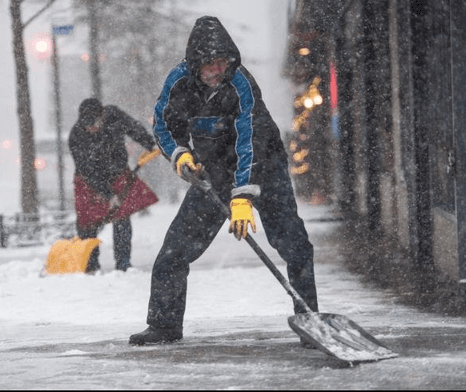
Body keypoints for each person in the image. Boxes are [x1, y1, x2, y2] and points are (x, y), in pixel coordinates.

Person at [129, 16, 319, 347]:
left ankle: (310, 319)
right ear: (195, 64)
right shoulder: (179, 83)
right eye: (209, 64)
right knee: (174, 251)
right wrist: (180, 154)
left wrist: (243, 196)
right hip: (213, 172)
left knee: (295, 244)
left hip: (264, 167)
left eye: (222, 62)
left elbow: (251, 140)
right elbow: (162, 125)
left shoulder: (241, 84)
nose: (218, 70)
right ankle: (164, 324)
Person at [68, 98, 159, 273]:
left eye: (94, 122)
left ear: (103, 115)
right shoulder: (76, 136)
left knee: (122, 217)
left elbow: (134, 128)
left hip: (117, 172)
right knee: (88, 222)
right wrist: (109, 195)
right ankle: (90, 264)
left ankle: (123, 263)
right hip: (89, 181)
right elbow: (87, 171)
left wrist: (149, 143)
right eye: (86, 124)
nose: (91, 128)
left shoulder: (114, 116)